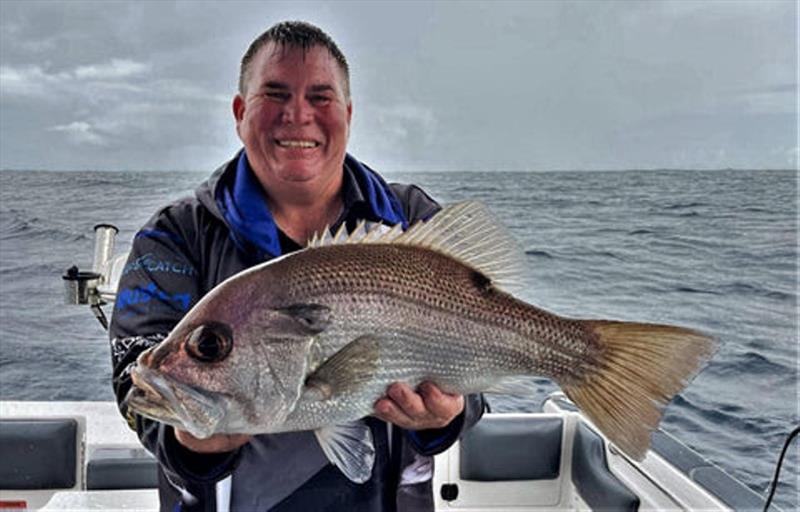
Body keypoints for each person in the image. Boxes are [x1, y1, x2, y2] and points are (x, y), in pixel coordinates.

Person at [110, 20, 485, 512]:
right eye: (276, 94)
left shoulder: (411, 224)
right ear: (241, 113)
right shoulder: (176, 237)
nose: (298, 115)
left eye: (320, 97)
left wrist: (448, 416)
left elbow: (481, 372)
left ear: (348, 114)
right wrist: (186, 439)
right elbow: (133, 380)